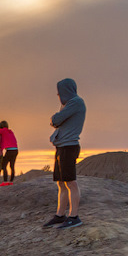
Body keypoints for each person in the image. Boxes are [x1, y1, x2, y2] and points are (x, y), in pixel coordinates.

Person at [43, 78, 86, 229]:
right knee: (61, 183)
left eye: (59, 92)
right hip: (62, 146)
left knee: (70, 182)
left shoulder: (76, 102)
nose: (58, 95)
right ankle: (60, 215)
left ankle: (74, 216)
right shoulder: (69, 104)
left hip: (69, 146)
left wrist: (56, 117)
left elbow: (56, 120)